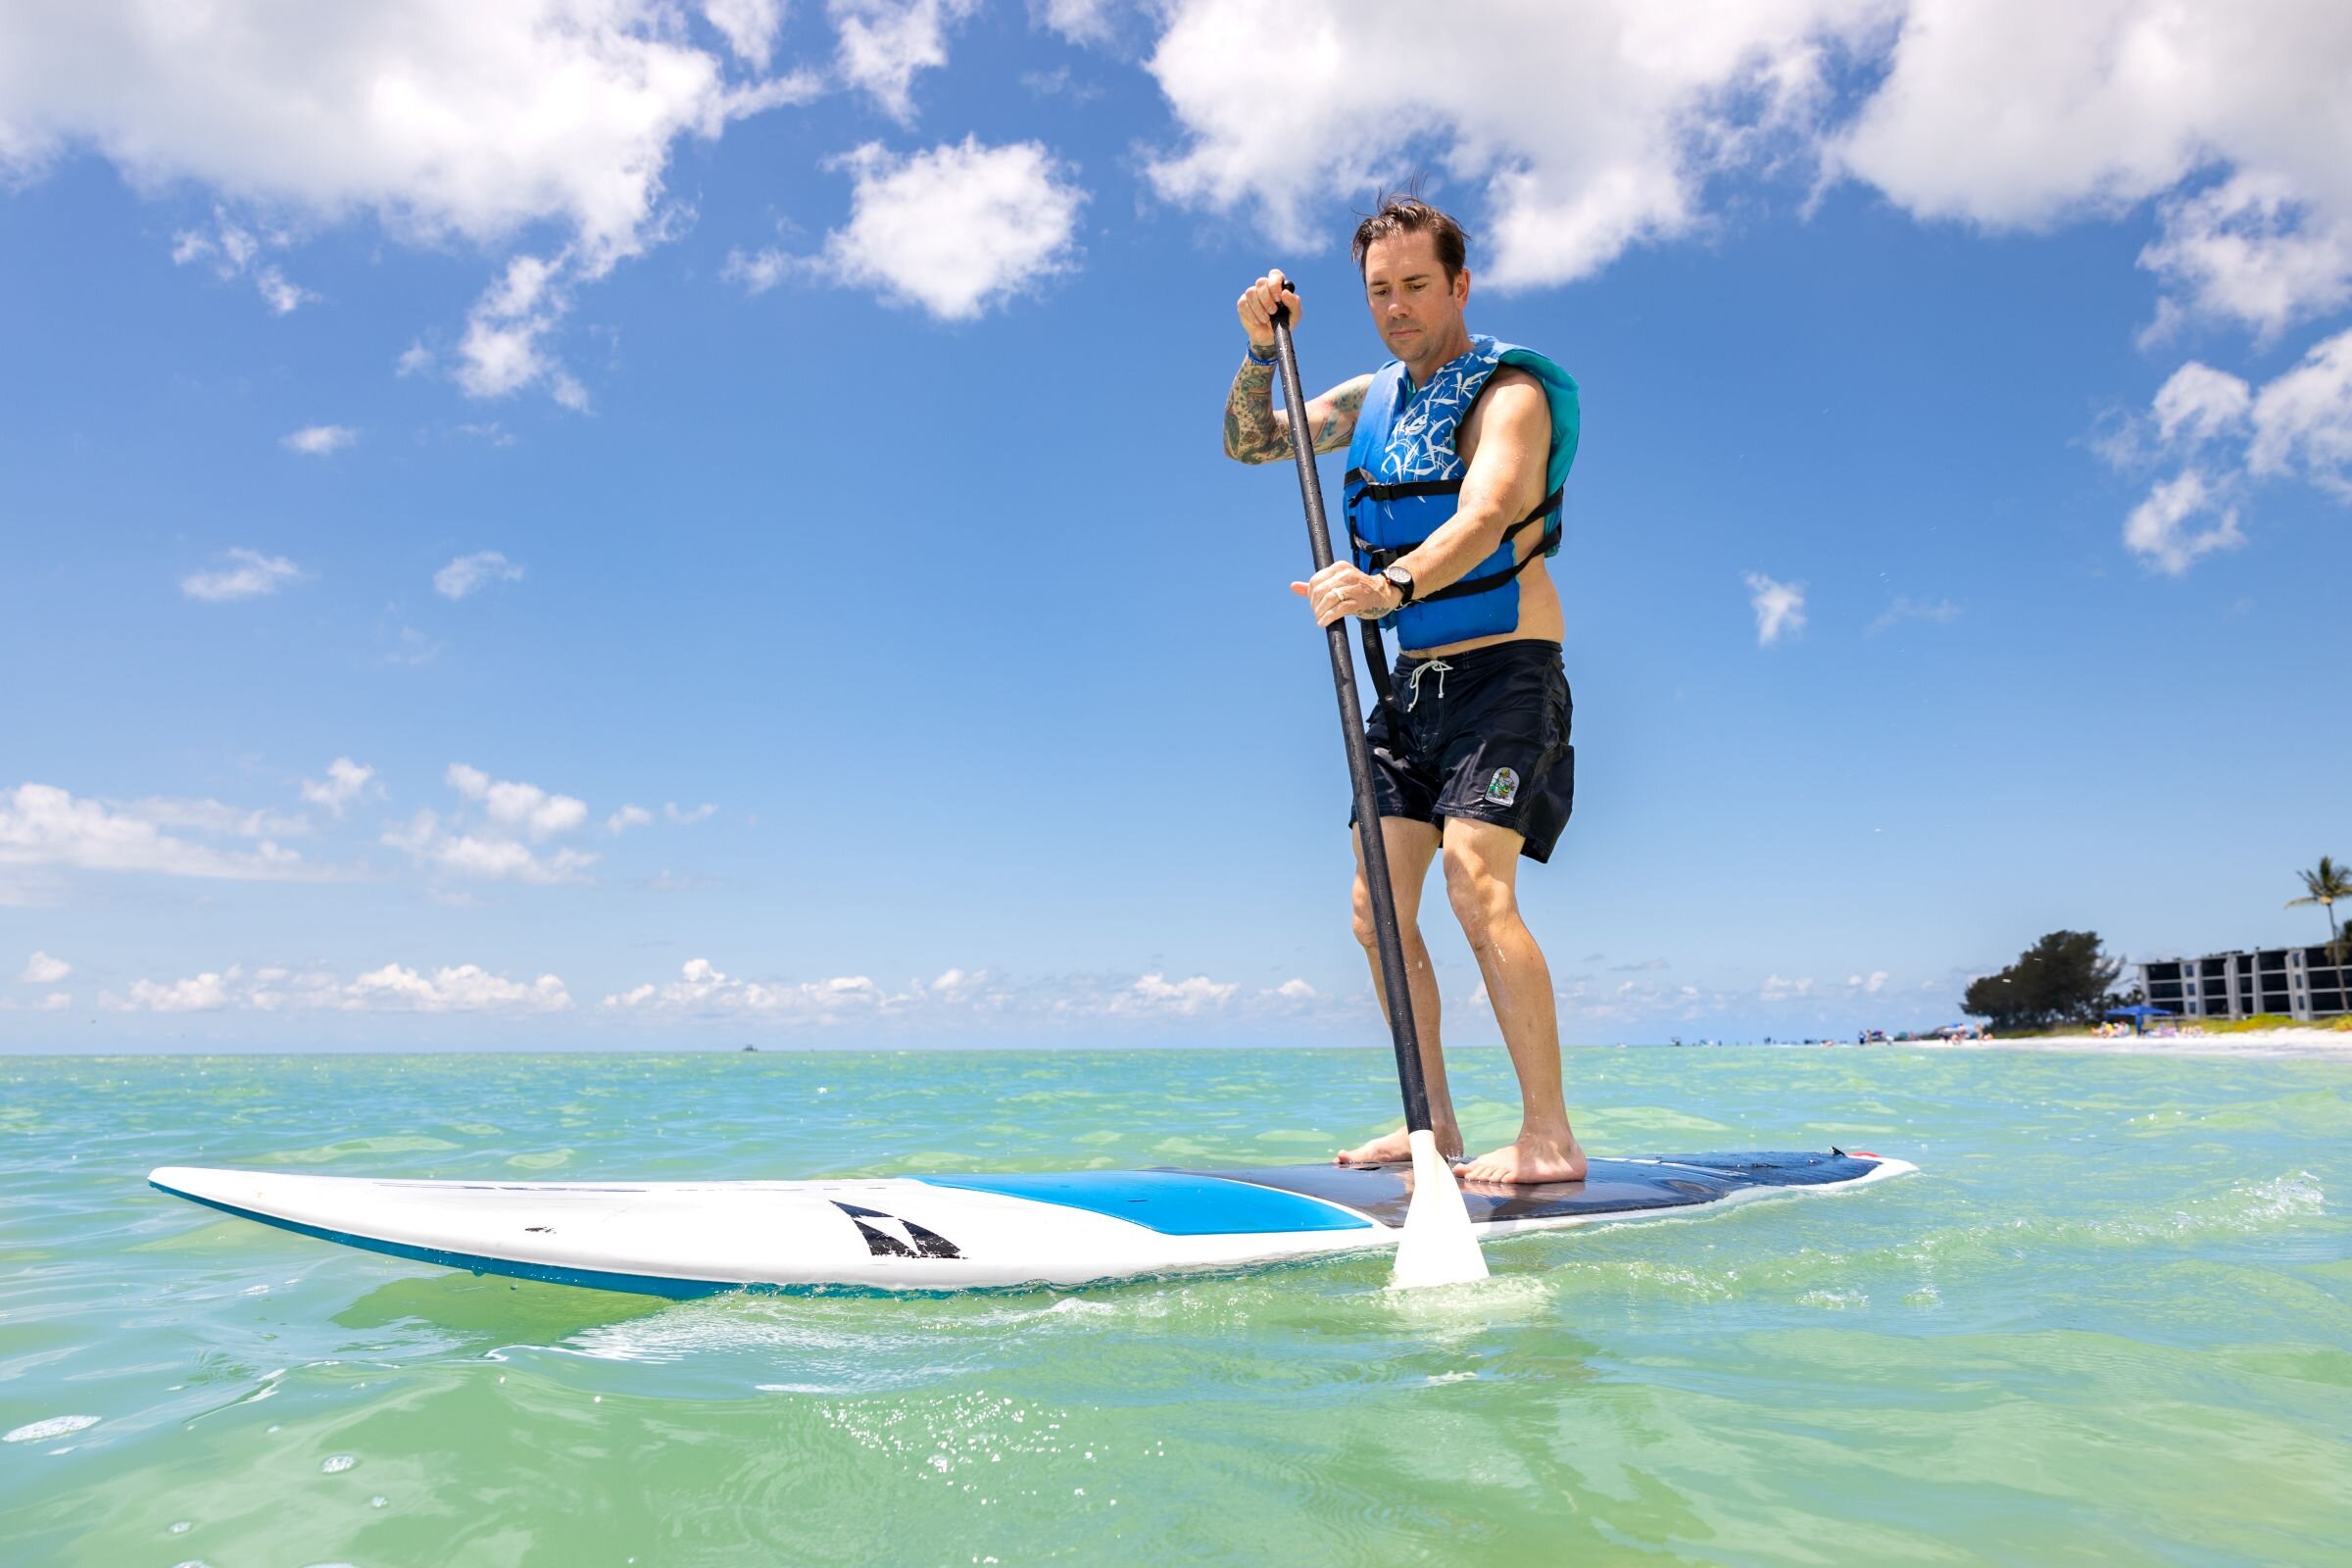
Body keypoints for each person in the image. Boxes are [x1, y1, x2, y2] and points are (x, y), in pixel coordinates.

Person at [1220, 193, 1586, 1185]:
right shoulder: (1370, 399)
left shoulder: (1509, 393)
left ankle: (1549, 1134)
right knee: (1375, 906)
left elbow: (1487, 512)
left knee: (1476, 882)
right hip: (1410, 692)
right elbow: (1254, 441)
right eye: (1380, 290)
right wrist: (1260, 351)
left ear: (1459, 284)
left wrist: (1385, 587)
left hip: (1505, 674)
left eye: (1417, 285)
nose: (1398, 307)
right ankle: (1436, 1127)